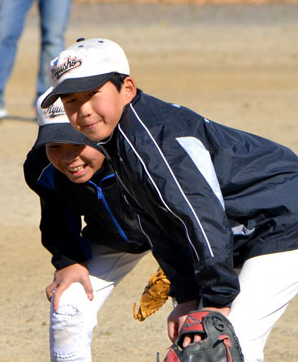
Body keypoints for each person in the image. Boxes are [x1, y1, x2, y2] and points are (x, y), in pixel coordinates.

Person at [41, 37, 298, 362]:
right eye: (72, 100)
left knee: (224, 344)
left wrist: (215, 302)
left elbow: (199, 215)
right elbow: (158, 224)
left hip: (286, 216)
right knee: (209, 347)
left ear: (127, 89)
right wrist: (187, 295)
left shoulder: (152, 140)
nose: (84, 109)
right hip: (243, 224)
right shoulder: (119, 137)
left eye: (93, 94)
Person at [25, 90, 181, 362]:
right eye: (55, 145)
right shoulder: (43, 167)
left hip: (184, 237)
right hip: (112, 237)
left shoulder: (145, 153)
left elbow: (195, 215)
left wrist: (185, 270)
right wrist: (68, 259)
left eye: (77, 144)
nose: (67, 158)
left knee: (202, 322)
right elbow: (56, 213)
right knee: (68, 303)